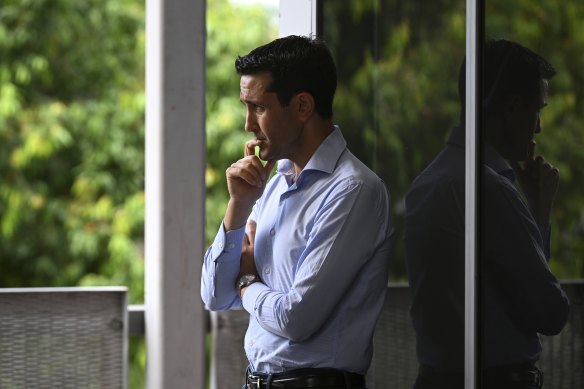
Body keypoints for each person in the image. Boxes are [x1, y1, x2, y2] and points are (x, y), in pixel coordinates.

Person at [200, 35, 393, 389]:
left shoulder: (353, 190)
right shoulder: (272, 186)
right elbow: (214, 296)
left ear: (303, 106)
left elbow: (296, 318)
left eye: (258, 107)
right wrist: (238, 206)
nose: (248, 124)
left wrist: (246, 283)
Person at [404, 39, 570, 389]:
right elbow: (550, 312)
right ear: (512, 108)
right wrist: (539, 209)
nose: (538, 127)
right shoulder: (489, 189)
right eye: (536, 111)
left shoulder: (428, 181)